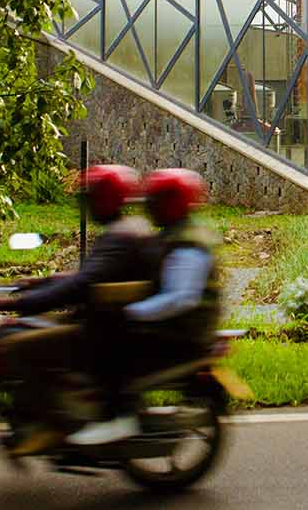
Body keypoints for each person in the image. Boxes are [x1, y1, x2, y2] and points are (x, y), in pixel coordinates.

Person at [0, 164, 150, 455]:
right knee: (29, 331)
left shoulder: (119, 238)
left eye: (92, 198)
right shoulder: (124, 231)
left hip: (100, 332)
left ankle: (48, 426)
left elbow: (80, 286)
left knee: (15, 347)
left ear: (105, 200)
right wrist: (41, 281)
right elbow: (87, 277)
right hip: (104, 324)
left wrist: (19, 303)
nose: (87, 206)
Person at [67, 166, 222, 448]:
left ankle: (118, 415)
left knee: (108, 335)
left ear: (170, 204)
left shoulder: (189, 245)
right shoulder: (174, 233)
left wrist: (132, 313)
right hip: (178, 324)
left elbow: (180, 298)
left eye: (155, 202)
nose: (149, 209)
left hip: (183, 330)